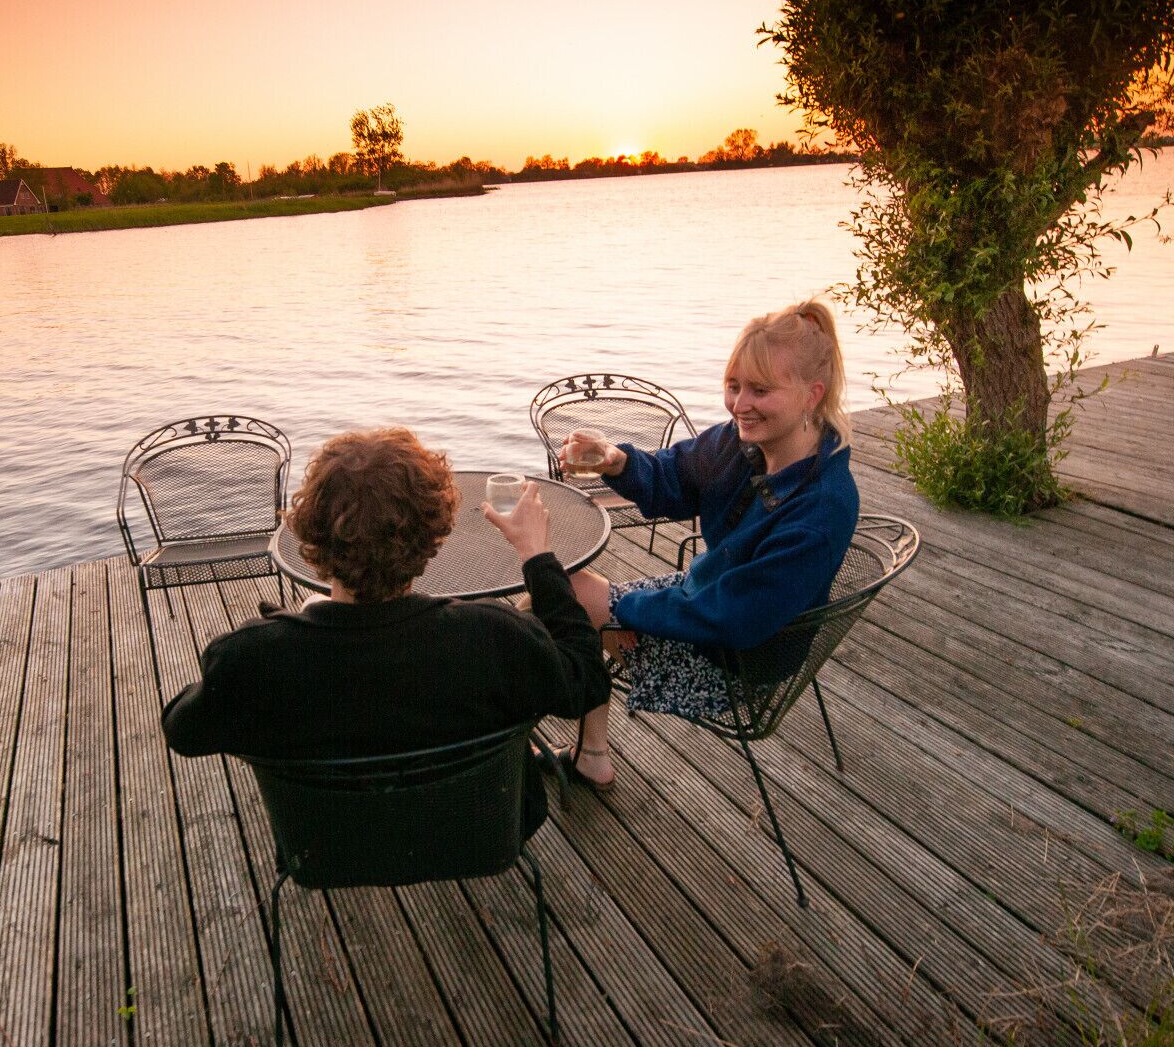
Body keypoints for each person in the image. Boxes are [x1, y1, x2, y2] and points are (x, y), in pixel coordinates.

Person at [161, 427, 610, 835]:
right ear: (434, 533)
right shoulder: (493, 637)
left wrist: (277, 637)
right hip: (482, 829)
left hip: (330, 842)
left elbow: (183, 732)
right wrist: (536, 556)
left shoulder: (252, 658)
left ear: (310, 529)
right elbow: (585, 680)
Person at [555, 299, 861, 789]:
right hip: (706, 599)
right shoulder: (743, 444)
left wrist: (622, 608)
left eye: (761, 390)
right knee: (562, 596)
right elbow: (676, 476)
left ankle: (508, 768)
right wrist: (618, 461)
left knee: (552, 603)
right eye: (734, 385)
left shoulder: (820, 507)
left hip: (734, 662)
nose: (739, 404)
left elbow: (735, 617)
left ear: (812, 395)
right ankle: (591, 755)